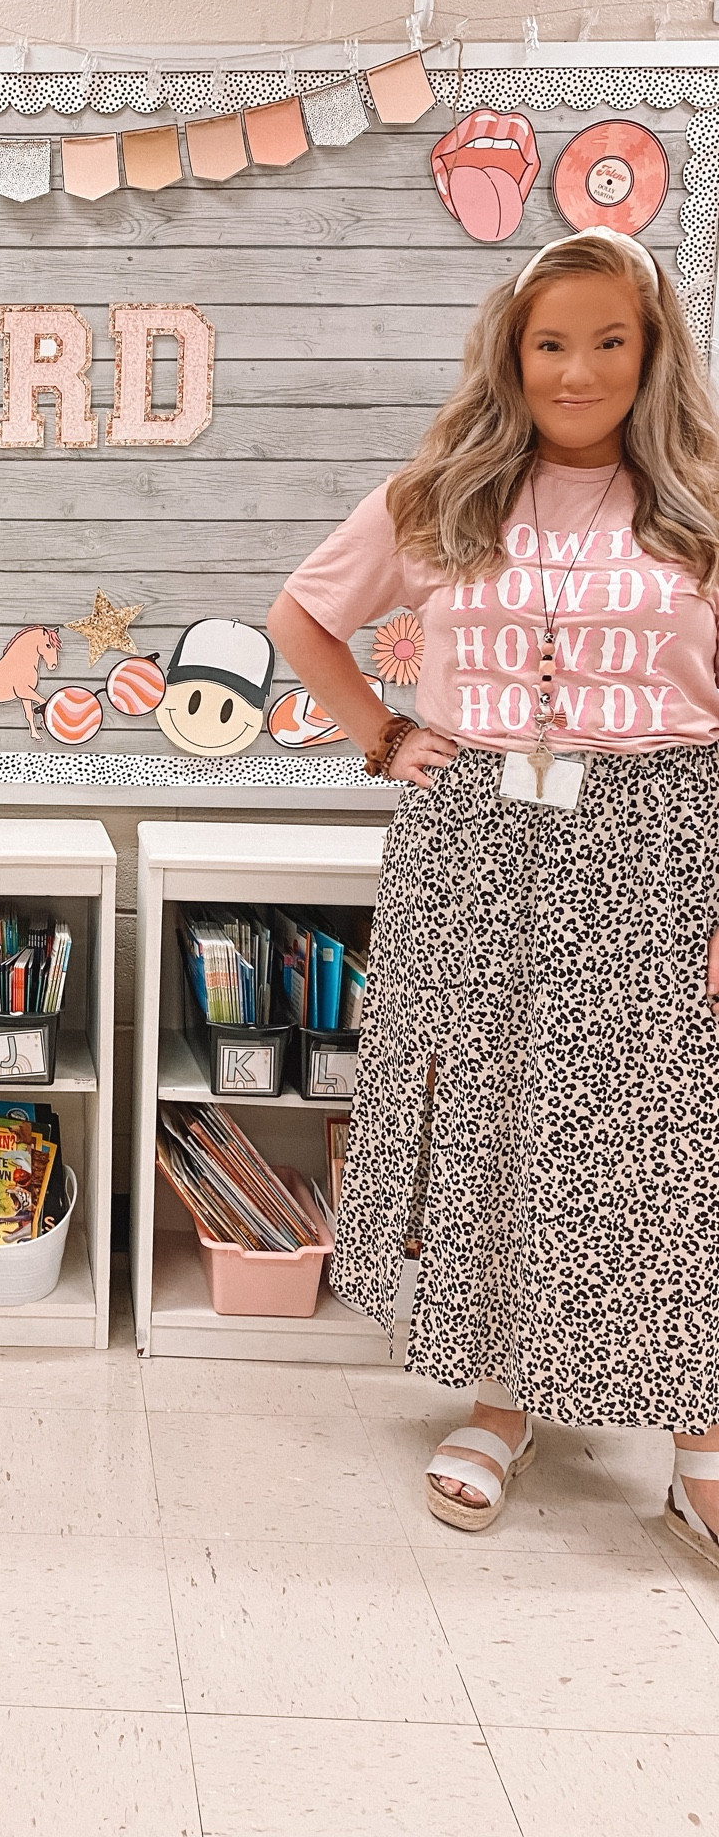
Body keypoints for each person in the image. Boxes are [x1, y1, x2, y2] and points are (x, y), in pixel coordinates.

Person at [266, 227, 719, 1558]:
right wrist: (385, 734)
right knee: (493, 1125)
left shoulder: (700, 501)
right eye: (551, 343)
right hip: (478, 843)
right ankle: (504, 1400)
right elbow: (304, 615)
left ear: (653, 353)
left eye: (609, 342)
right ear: (512, 357)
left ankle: (697, 1429)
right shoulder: (448, 494)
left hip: (658, 841)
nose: (578, 371)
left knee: (665, 1140)